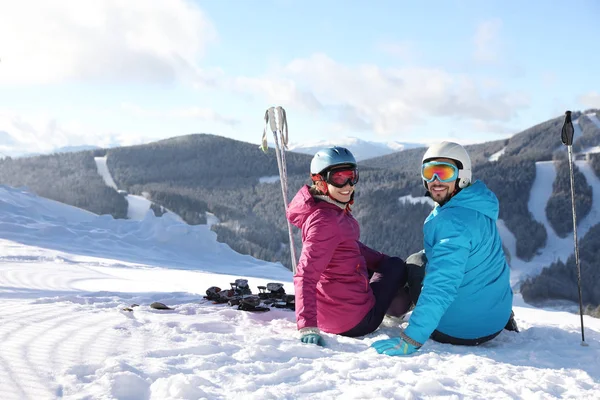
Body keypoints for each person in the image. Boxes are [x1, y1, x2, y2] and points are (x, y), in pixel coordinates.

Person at [372, 141, 516, 356]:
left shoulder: (451, 222)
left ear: (462, 175)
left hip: (459, 331)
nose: (435, 180)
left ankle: (397, 312)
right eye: (429, 172)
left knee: (415, 262)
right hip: (496, 321)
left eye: (445, 172)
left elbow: (441, 285)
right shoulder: (478, 206)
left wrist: (412, 338)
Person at [286, 146, 410, 345]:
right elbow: (305, 275)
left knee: (391, 264)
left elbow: (348, 247)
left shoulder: (326, 210)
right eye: (339, 178)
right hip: (357, 323)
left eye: (352, 176)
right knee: (395, 266)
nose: (349, 185)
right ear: (319, 180)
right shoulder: (326, 221)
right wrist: (307, 326)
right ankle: (394, 314)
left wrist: (384, 262)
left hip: (328, 316)